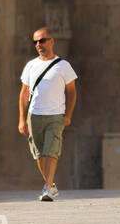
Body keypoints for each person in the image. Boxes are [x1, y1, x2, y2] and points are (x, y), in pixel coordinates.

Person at [18, 27, 78, 202]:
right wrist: (22, 119)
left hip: (55, 115)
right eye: (35, 41)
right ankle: (50, 185)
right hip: (34, 114)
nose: (39, 44)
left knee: (51, 151)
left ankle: (46, 188)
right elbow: (23, 93)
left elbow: (72, 92)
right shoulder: (31, 65)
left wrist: (68, 114)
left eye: (42, 40)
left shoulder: (63, 65)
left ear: (51, 41)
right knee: (39, 154)